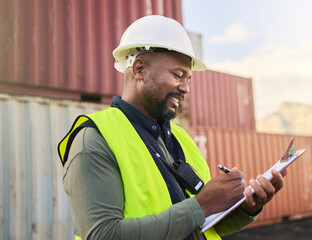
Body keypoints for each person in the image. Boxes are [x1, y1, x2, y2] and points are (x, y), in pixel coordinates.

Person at [58, 15, 287, 240]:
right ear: (139, 69)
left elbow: (202, 226)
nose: (186, 88)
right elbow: (103, 235)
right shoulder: (95, 139)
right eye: (178, 75)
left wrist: (248, 207)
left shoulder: (180, 139)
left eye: (188, 79)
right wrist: (202, 204)